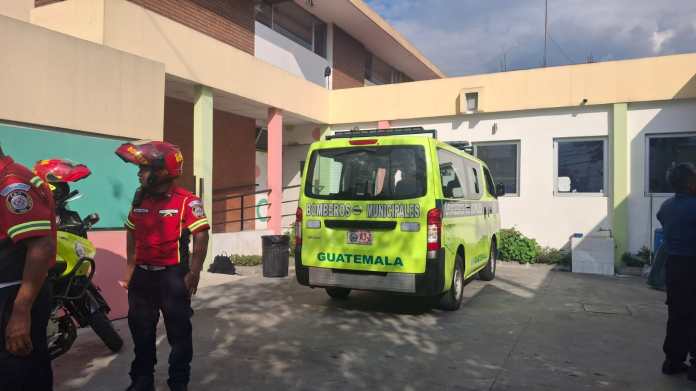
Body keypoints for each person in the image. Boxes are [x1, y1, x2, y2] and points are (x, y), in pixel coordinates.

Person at [116, 141, 210, 391]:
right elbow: (132, 232)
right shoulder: (139, 198)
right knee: (141, 331)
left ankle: (178, 382)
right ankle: (142, 380)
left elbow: (201, 234)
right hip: (143, 277)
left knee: (179, 335)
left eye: (144, 168)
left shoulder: (187, 201)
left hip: (172, 277)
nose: (139, 173)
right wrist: (130, 268)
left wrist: (194, 271)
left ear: (163, 171)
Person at [0, 145, 57, 391]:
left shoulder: (12, 183)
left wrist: (20, 312)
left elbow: (41, 245)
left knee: (18, 375)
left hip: (14, 295)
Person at [657, 162, 696, 380]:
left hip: (674, 266)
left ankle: (672, 361)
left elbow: (662, 220)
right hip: (693, 266)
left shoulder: (666, 207)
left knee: (677, 314)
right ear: (690, 184)